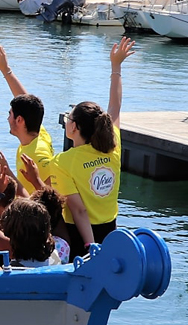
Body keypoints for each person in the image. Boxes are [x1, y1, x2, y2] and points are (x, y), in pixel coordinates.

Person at [49, 36, 136, 261]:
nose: (66, 120)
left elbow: (79, 211)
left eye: (69, 117)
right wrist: (116, 67)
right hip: (110, 229)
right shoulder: (112, 146)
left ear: (74, 127)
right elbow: (115, 108)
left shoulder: (63, 162)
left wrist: (90, 247)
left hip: (81, 235)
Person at [0, 42, 55, 196]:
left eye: (10, 114)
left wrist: (7, 172)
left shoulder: (39, 155)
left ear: (19, 120)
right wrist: (6, 70)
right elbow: (26, 101)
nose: (7, 118)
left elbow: (49, 198)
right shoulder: (40, 133)